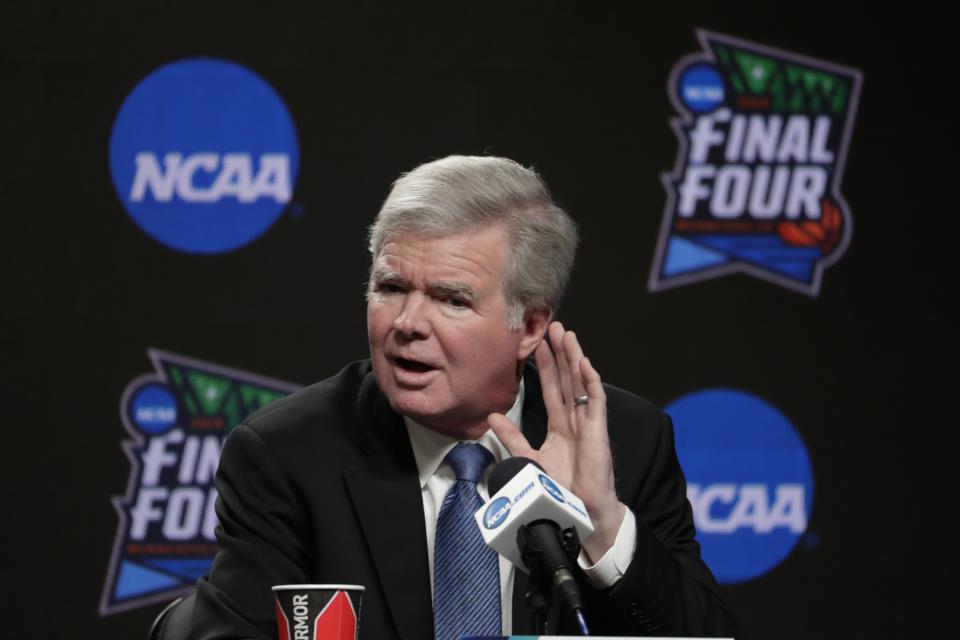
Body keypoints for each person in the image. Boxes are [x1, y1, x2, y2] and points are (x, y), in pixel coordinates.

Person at [188, 155, 737, 639]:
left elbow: (705, 637)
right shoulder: (289, 455)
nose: (406, 324)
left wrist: (602, 521)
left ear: (530, 325)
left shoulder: (626, 441)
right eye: (392, 287)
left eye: (451, 300)